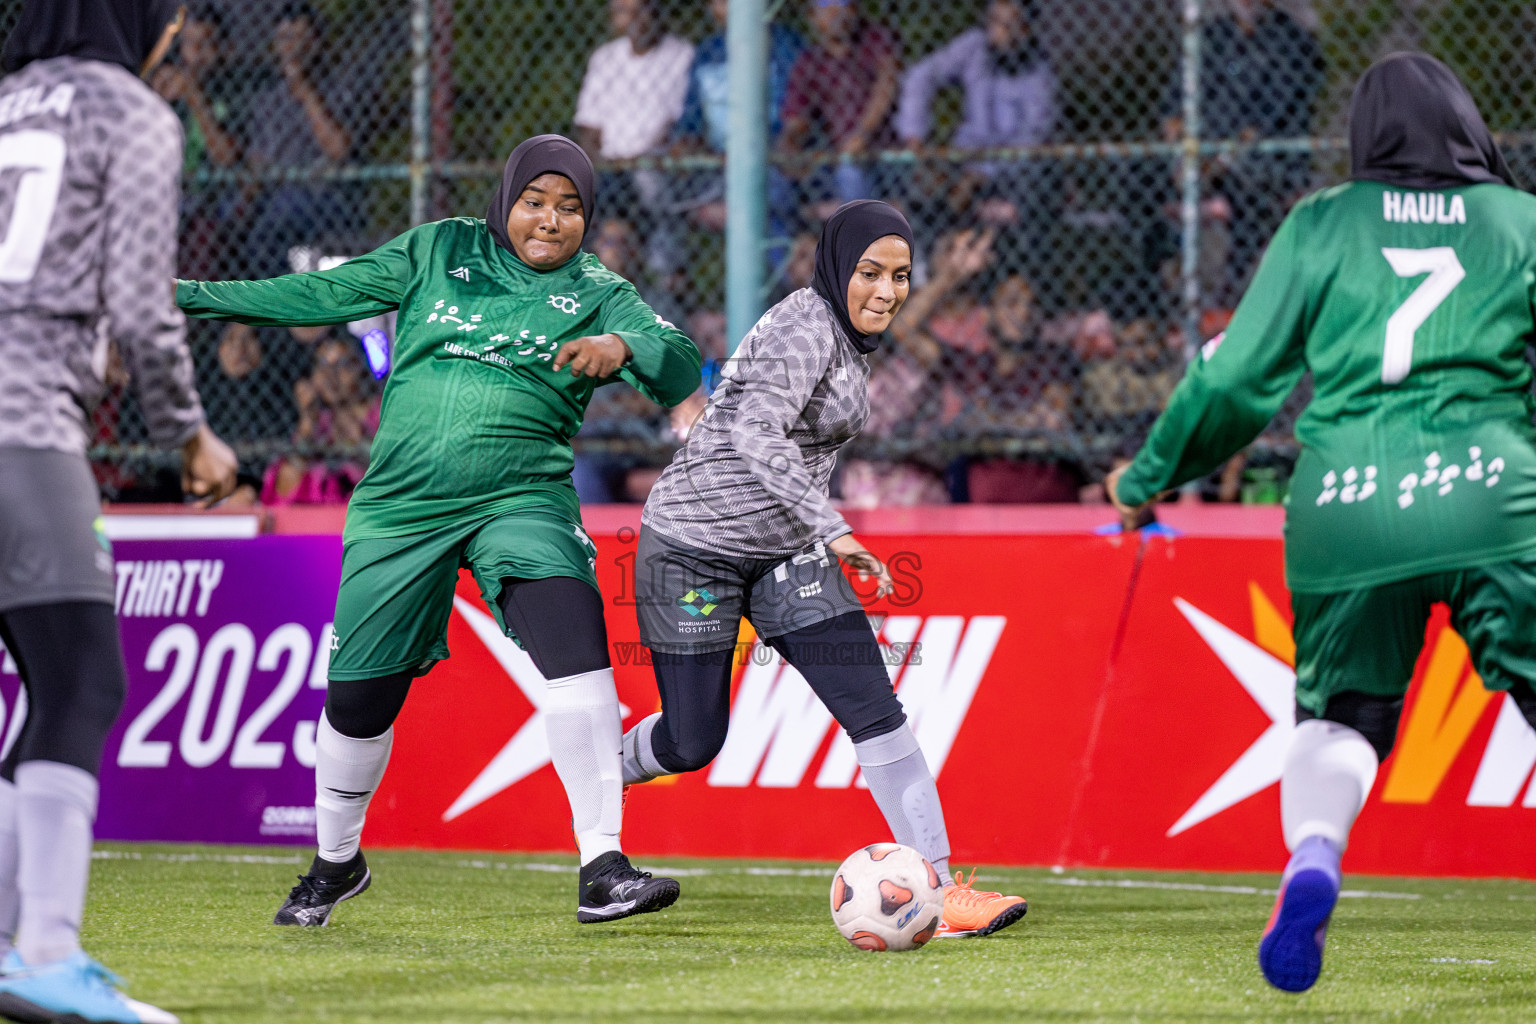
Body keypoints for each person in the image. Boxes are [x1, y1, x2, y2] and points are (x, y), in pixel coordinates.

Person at [176, 135, 702, 925]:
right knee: (358, 700)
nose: (551, 221)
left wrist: (621, 344)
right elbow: (321, 297)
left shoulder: (600, 290)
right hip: (400, 507)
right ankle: (335, 862)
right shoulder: (439, 248)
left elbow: (679, 362)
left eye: (571, 209)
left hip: (520, 500)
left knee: (575, 642)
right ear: (507, 199)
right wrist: (185, 295)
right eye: (536, 201)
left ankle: (603, 862)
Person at [1107, 53, 1536, 993]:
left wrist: (1146, 477)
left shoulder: (1320, 222)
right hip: (1492, 494)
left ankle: (1313, 859)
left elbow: (1233, 380)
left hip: (1348, 504)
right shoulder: (1520, 221)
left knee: (1339, 718)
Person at [623, 201, 1029, 938]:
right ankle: (596, 777)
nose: (886, 290)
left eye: (901, 276)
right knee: (691, 742)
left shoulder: (848, 339)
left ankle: (939, 893)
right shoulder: (803, 326)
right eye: (870, 273)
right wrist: (835, 530)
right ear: (839, 267)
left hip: (784, 551)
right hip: (693, 547)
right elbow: (751, 429)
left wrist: (814, 533)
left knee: (874, 707)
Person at [0, 2, 239, 1021]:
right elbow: (144, 305)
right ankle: (46, 951)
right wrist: (189, 431)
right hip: (19, 422)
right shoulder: (132, 113)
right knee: (82, 679)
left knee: (46, 687)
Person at [778, 0, 901, 216]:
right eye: (825, 6)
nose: (835, 13)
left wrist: (862, 134)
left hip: (882, 153)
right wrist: (790, 144)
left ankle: (861, 242)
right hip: (832, 158)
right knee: (777, 179)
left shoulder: (874, 40)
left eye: (842, 4)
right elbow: (796, 120)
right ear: (812, 17)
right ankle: (787, 245)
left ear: (854, 9)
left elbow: (886, 84)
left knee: (850, 171)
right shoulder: (809, 61)